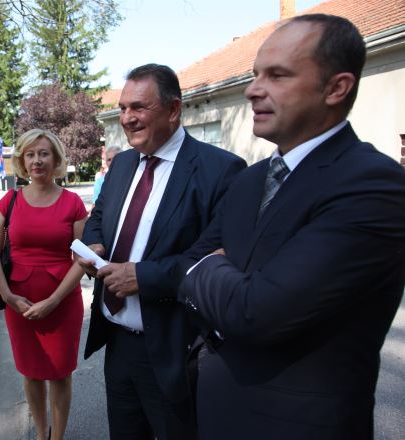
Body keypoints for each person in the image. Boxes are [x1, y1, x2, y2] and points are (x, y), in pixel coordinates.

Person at [178, 14, 405, 439]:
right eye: (255, 75)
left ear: (336, 88)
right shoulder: (249, 180)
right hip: (215, 413)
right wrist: (219, 275)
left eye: (277, 75)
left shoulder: (373, 184)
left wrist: (209, 271)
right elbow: (190, 260)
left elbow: (256, 312)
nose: (252, 90)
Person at [77, 64, 246, 439]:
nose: (127, 118)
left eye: (139, 107)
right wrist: (93, 243)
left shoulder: (220, 170)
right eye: (123, 108)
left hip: (175, 349)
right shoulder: (122, 164)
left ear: (173, 109)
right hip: (117, 344)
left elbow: (216, 256)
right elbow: (99, 216)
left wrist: (144, 276)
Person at [0, 129, 88, 440]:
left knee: (60, 374)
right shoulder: (10, 200)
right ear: (22, 160)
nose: (37, 160)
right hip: (19, 304)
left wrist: (53, 301)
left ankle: (58, 437)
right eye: (30, 154)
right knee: (30, 373)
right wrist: (8, 297)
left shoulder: (73, 203)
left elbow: (82, 259)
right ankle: (42, 433)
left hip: (63, 303)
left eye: (43, 153)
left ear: (55, 159)